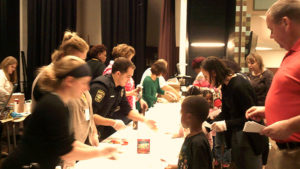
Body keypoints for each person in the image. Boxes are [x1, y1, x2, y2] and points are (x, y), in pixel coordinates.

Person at [1, 56, 117, 169]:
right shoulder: (53, 105)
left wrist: (99, 150)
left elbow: (70, 142)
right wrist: (100, 153)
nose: (87, 88)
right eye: (84, 82)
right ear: (69, 81)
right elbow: (67, 151)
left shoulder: (60, 103)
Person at [246, 1, 300, 168]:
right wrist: (267, 111)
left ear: (285, 22)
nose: (271, 36)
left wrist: (290, 125)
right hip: (283, 150)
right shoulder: (292, 54)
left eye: (271, 29)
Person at [202, 56, 264, 169]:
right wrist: (207, 125)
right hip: (237, 136)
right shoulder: (226, 86)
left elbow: (251, 118)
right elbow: (226, 112)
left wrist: (226, 124)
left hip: (250, 138)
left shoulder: (239, 85)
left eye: (206, 76)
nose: (206, 80)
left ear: (214, 73)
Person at [90, 57, 157, 140]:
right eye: (128, 76)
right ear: (118, 73)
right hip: (90, 131)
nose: (129, 80)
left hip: (102, 130)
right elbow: (91, 116)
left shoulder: (120, 88)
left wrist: (145, 120)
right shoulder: (101, 87)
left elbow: (127, 110)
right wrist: (113, 122)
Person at [165, 95, 212, 169]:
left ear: (188, 117)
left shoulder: (198, 144)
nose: (180, 116)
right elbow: (188, 163)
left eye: (181, 113)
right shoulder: (190, 136)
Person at [246, 52, 273, 169]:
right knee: (254, 136)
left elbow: (271, 94)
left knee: (263, 137)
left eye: (252, 62)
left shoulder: (267, 75)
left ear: (259, 61)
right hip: (253, 110)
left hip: (264, 110)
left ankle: (264, 163)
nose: (250, 65)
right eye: (248, 63)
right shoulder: (249, 75)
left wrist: (268, 113)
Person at [103, 44, 147, 111]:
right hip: (118, 110)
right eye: (129, 59)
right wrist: (131, 93)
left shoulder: (125, 69)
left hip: (128, 107)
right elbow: (111, 93)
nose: (130, 62)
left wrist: (140, 99)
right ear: (122, 59)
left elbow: (132, 90)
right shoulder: (110, 71)